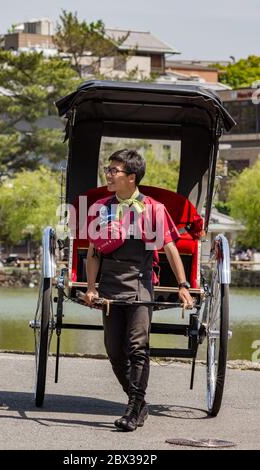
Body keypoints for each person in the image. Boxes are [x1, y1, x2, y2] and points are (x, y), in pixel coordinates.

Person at [83, 149, 194, 432]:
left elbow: (169, 248)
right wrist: (92, 288)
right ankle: (139, 403)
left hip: (140, 282)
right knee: (113, 350)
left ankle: (133, 408)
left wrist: (183, 286)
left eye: (114, 171)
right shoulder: (100, 210)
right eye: (107, 169)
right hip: (109, 284)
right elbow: (94, 253)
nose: (108, 175)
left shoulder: (153, 208)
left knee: (137, 346)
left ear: (131, 178)